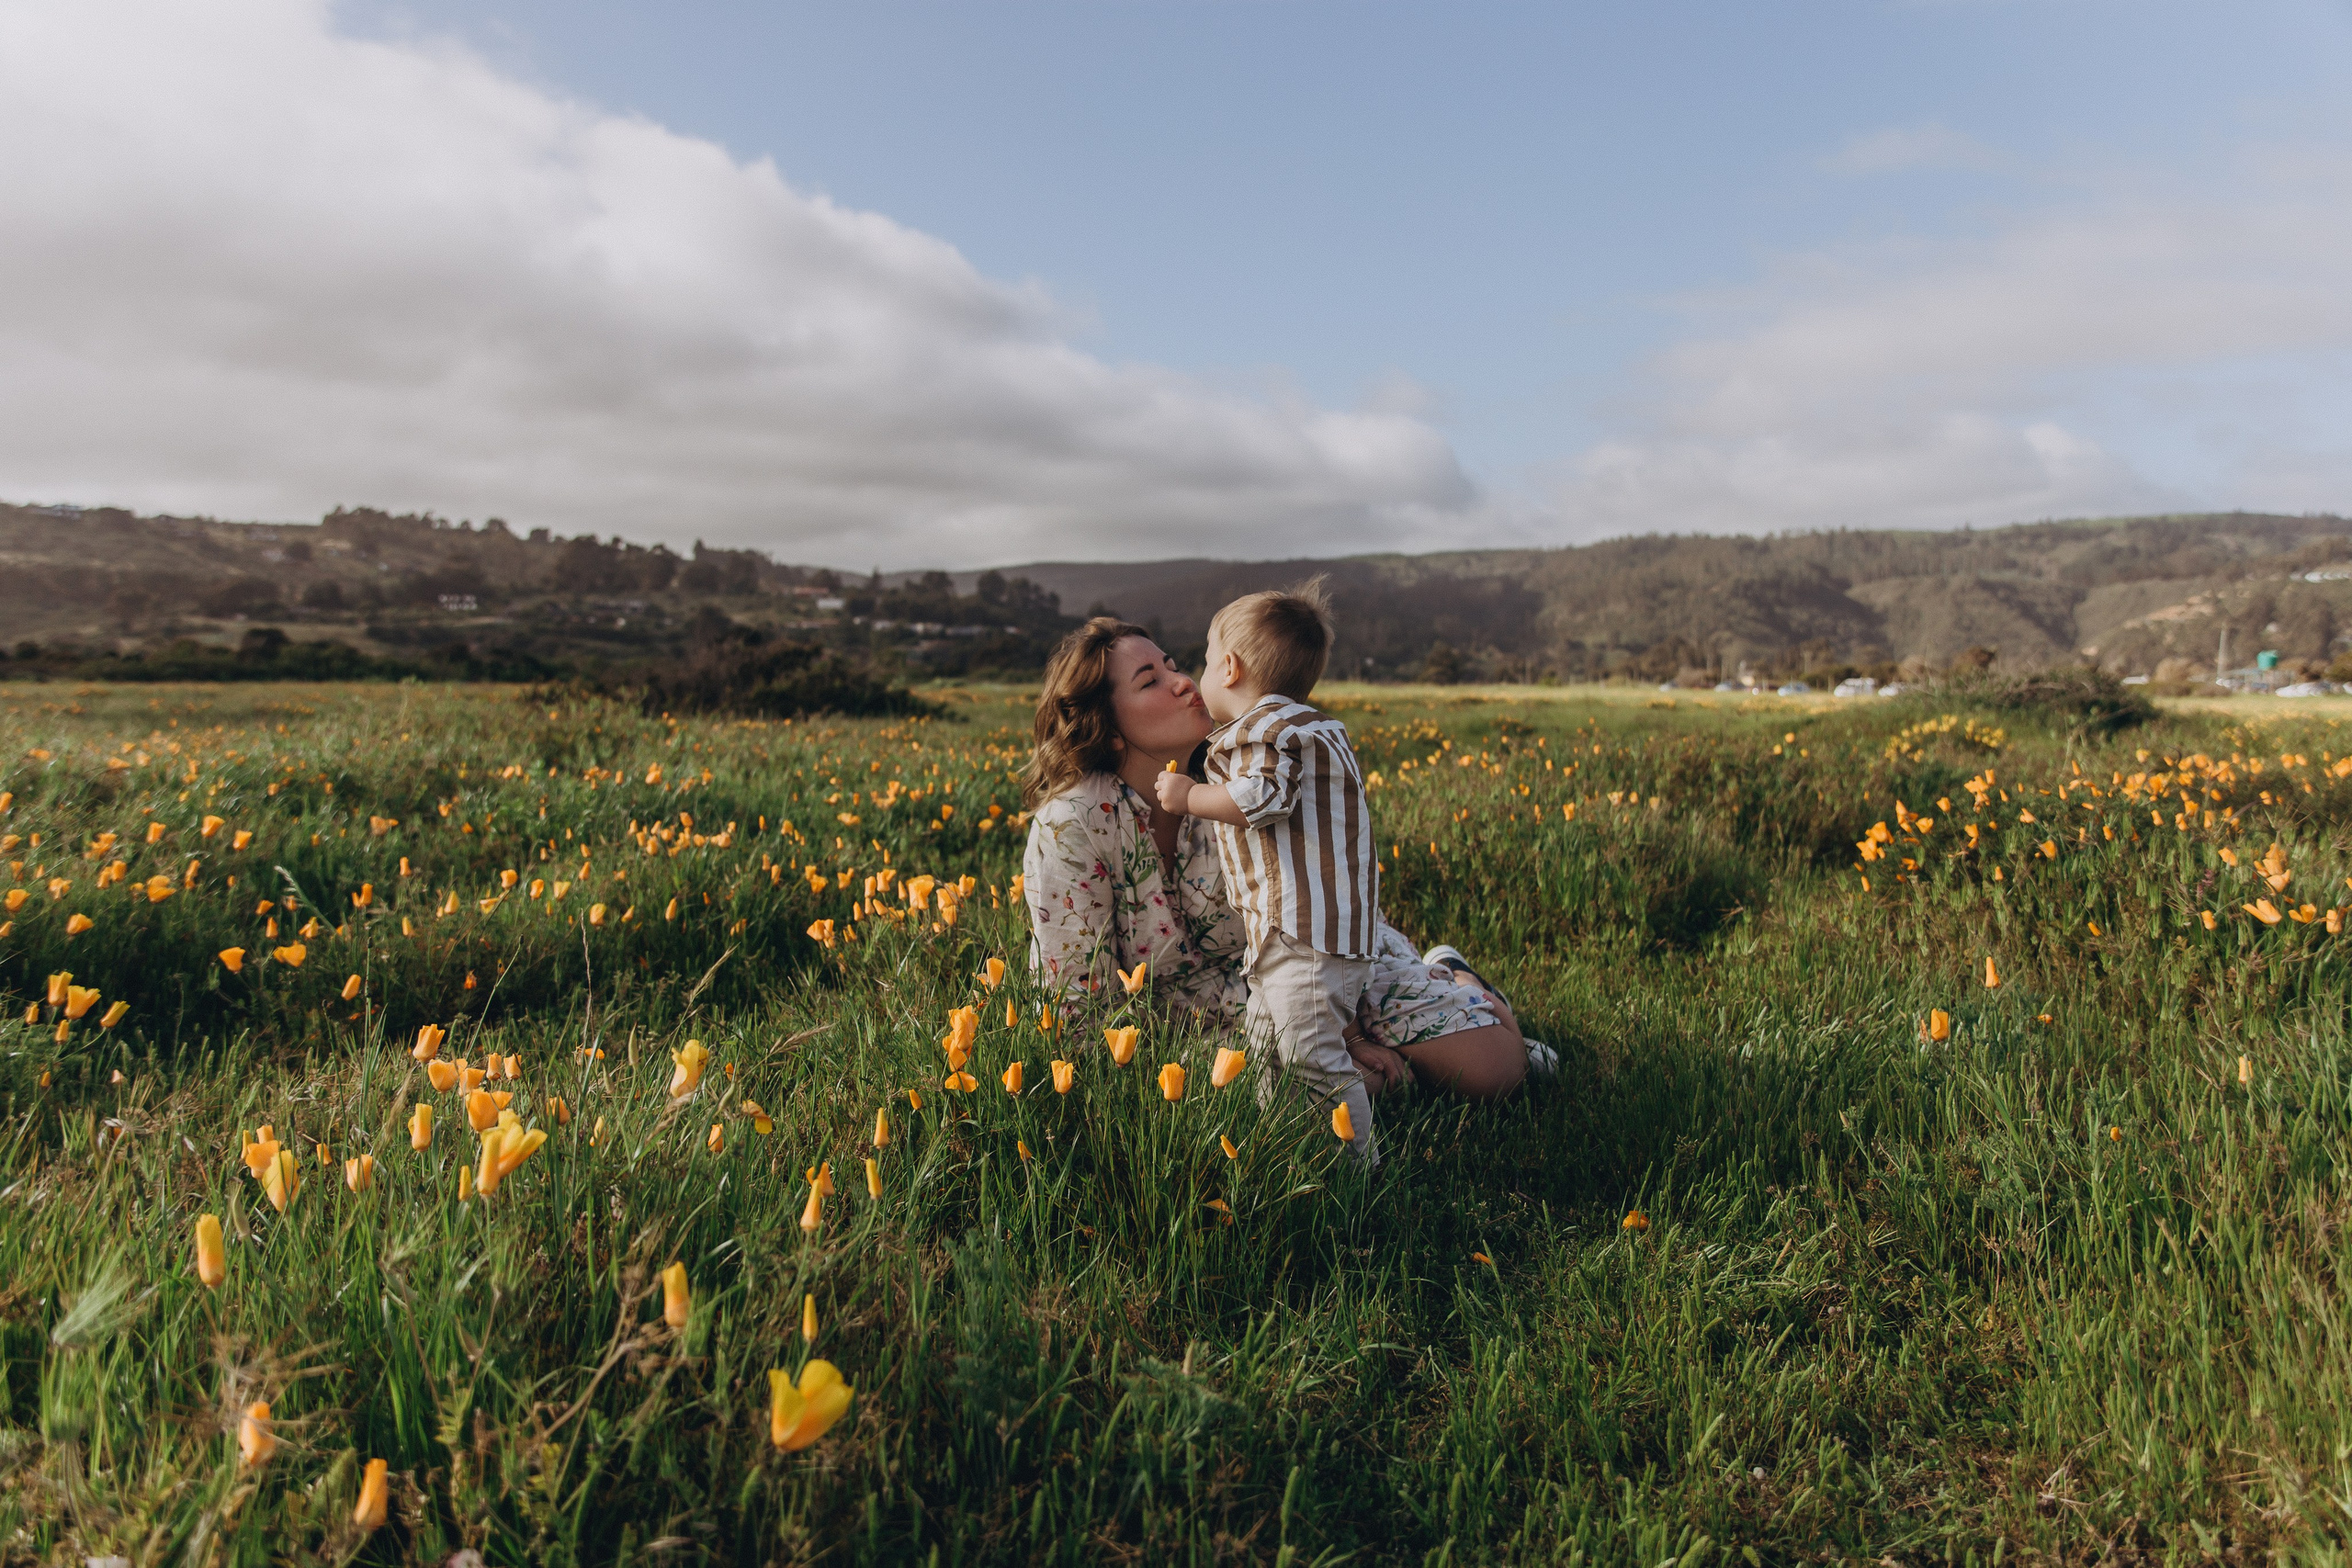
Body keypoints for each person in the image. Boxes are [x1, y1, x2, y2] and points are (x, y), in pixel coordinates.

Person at [1019, 616, 1536, 1142]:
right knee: (1298, 1098)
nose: (1184, 682)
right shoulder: (1073, 826)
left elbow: (1314, 898)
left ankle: (1456, 976)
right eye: (1150, 680)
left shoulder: (1244, 778)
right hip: (1194, 1023)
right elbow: (1076, 1006)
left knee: (1493, 1072)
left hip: (1319, 952)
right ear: (1106, 728)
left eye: (1174, 665)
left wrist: (1346, 1034)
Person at [1150, 581, 1385, 1158]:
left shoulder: (1264, 730)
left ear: (1228, 668)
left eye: (1205, 659)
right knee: (1262, 1044)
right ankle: (1273, 1145)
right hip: (1316, 934)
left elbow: (1264, 799)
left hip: (1300, 936)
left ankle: (1359, 1173)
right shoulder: (1314, 729)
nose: (1201, 674)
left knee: (1314, 1060)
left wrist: (1189, 795)